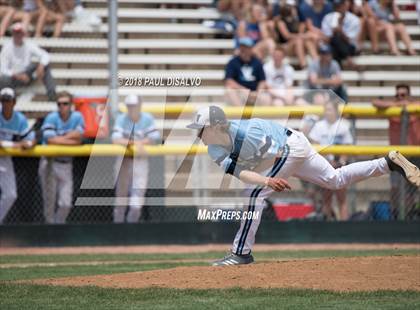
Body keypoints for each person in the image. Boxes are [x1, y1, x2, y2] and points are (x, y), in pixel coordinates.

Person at [186, 105, 419, 265]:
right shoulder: (214, 148)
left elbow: (275, 156)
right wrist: (267, 179)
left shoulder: (248, 133)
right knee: (334, 180)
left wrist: (266, 179)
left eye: (201, 129)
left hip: (290, 146)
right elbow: (242, 173)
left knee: (254, 195)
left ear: (217, 126)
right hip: (290, 149)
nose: (198, 135)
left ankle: (240, 253)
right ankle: (387, 163)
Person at [372, 84, 420, 218]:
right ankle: (395, 215)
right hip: (397, 157)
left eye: (403, 95)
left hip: (414, 155)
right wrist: (397, 105)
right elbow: (374, 102)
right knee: (396, 189)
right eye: (397, 96)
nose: (400, 98)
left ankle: (412, 214)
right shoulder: (393, 109)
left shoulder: (415, 109)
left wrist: (407, 105)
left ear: (409, 96)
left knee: (414, 187)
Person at [112, 94, 161, 223]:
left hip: (140, 161)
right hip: (124, 160)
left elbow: (155, 137)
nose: (131, 108)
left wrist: (140, 142)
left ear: (139, 105)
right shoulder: (121, 118)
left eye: (134, 105)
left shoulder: (147, 118)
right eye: (129, 106)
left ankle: (130, 229)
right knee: (120, 199)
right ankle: (118, 229)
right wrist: (135, 143)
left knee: (137, 203)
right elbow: (116, 139)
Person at [38, 91, 84, 224]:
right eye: (59, 104)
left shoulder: (77, 116)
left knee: (66, 204)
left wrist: (60, 138)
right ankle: (50, 233)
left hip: (66, 163)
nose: (62, 106)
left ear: (71, 104)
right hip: (49, 162)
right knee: (49, 204)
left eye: (65, 103)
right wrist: (70, 138)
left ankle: (57, 228)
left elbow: (80, 138)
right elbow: (50, 140)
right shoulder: (52, 117)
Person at [309, 100, 353, 220]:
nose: (327, 112)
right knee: (326, 198)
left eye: (330, 109)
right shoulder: (319, 126)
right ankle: (327, 224)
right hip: (324, 165)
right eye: (326, 109)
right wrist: (325, 163)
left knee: (341, 198)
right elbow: (315, 146)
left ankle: (344, 225)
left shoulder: (343, 126)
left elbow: (347, 147)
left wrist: (341, 162)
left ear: (335, 111)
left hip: (339, 166)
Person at [0, 87, 35, 224]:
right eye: (3, 100)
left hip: (5, 160)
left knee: (11, 195)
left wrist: (29, 144)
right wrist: (15, 145)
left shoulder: (20, 119)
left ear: (14, 102)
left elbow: (30, 139)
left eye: (8, 100)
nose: (5, 103)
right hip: (6, 153)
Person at [0, 22, 56, 101]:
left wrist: (41, 65)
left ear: (23, 34)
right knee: (4, 79)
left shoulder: (29, 45)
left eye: (20, 32)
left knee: (44, 66)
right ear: (13, 34)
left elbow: (45, 55)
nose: (18, 35)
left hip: (27, 75)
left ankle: (52, 95)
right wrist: (17, 75)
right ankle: (7, 100)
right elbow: (3, 69)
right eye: (16, 33)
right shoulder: (7, 48)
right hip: (13, 78)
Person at [271, 0, 317, 68]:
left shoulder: (295, 21)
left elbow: (301, 32)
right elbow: (287, 36)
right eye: (293, 8)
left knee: (308, 42)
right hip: (285, 47)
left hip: (295, 46)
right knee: (299, 40)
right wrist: (303, 36)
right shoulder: (280, 22)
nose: (295, 10)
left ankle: (316, 62)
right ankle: (303, 64)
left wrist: (304, 34)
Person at [224, 37, 269, 106]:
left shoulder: (257, 62)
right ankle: (240, 114)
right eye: (242, 47)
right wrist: (243, 90)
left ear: (251, 49)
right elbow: (229, 81)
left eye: (246, 47)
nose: (243, 50)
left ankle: (263, 116)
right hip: (240, 91)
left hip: (254, 92)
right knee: (229, 90)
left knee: (266, 98)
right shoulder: (233, 62)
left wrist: (257, 92)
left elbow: (262, 81)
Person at [321, 0, 360, 66]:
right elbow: (326, 40)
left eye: (341, 5)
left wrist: (341, 32)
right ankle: (348, 58)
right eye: (337, 6)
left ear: (345, 5)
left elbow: (351, 41)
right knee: (334, 45)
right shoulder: (327, 18)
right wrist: (334, 33)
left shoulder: (354, 19)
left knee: (335, 42)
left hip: (349, 47)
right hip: (333, 46)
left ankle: (338, 69)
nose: (339, 8)